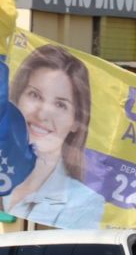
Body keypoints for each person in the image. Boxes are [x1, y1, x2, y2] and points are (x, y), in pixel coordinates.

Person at [1, 44, 105, 228]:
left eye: (60, 105)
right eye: (34, 95)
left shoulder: (85, 202)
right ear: (17, 97)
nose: (42, 115)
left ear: (76, 121)